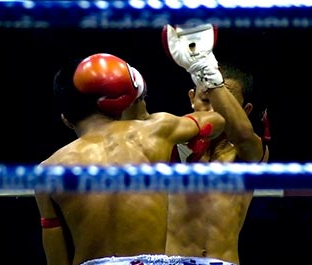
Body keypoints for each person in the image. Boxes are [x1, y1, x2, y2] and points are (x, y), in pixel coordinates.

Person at [34, 53, 226, 265]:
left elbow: (56, 259)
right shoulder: (154, 131)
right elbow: (215, 121)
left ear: (66, 120)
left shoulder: (48, 171)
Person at [162, 24, 270, 265]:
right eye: (205, 100)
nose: (212, 111)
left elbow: (242, 134)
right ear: (192, 98)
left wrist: (208, 73)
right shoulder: (167, 141)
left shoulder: (248, 153)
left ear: (245, 110)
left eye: (222, 104)